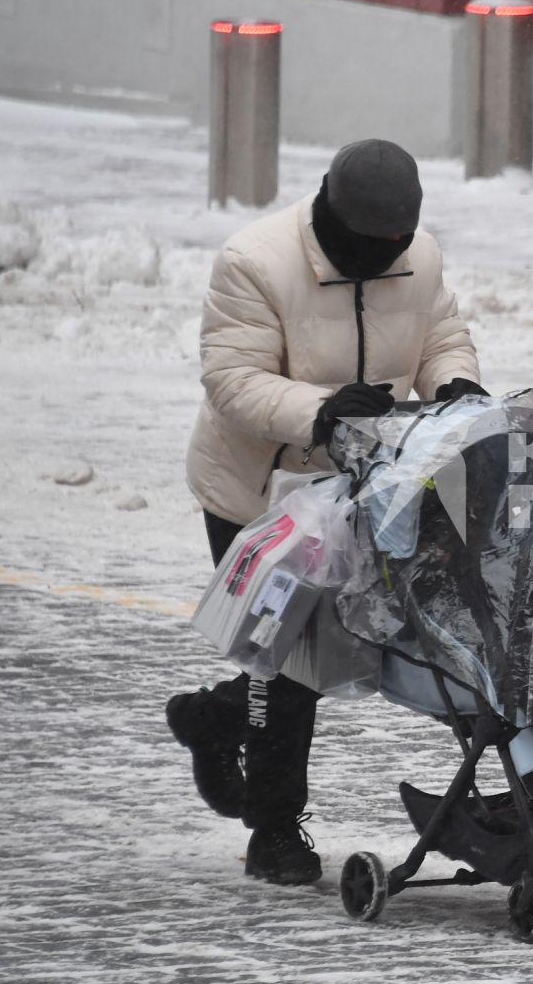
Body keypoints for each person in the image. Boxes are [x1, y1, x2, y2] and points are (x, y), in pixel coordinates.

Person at [166, 138, 483, 886]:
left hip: (371, 490)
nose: (384, 258)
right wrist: (321, 410)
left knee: (357, 649)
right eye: (367, 247)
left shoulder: (421, 258)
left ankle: (214, 720)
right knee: (288, 665)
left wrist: (457, 384)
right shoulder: (254, 262)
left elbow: (440, 335)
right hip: (261, 498)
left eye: (395, 246)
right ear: (331, 218)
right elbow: (232, 380)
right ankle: (275, 830)